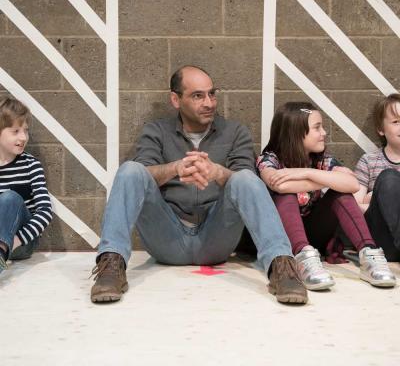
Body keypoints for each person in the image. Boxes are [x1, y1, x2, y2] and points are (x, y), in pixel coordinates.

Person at [90, 66, 308, 304]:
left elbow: (246, 182)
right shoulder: (156, 131)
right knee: (130, 170)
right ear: (176, 99)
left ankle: (283, 268)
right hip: (166, 237)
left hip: (216, 238)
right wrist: (176, 168)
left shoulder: (235, 132)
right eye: (198, 96)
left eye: (212, 94)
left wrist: (217, 172)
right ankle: (111, 266)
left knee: (245, 178)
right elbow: (143, 172)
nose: (209, 102)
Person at [256, 101, 395, 291]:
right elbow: (279, 185)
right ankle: (303, 259)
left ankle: (368, 254)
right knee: (287, 195)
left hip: (315, 232)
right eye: (317, 128)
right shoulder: (268, 159)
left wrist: (306, 173)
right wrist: (328, 178)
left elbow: (352, 184)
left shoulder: (322, 159)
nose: (324, 133)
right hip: (283, 238)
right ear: (296, 132)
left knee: (340, 192)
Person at [0, 97, 53, 274]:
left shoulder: (31, 165)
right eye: (15, 131)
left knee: (10, 198)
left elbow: (45, 212)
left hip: (21, 243)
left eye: (26, 131)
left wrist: (13, 241)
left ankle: (1, 252)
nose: (23, 137)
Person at [354, 93, 400, 261]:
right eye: (396, 122)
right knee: (389, 179)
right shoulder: (369, 161)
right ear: (381, 129)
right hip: (384, 242)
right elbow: (354, 207)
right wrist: (379, 201)